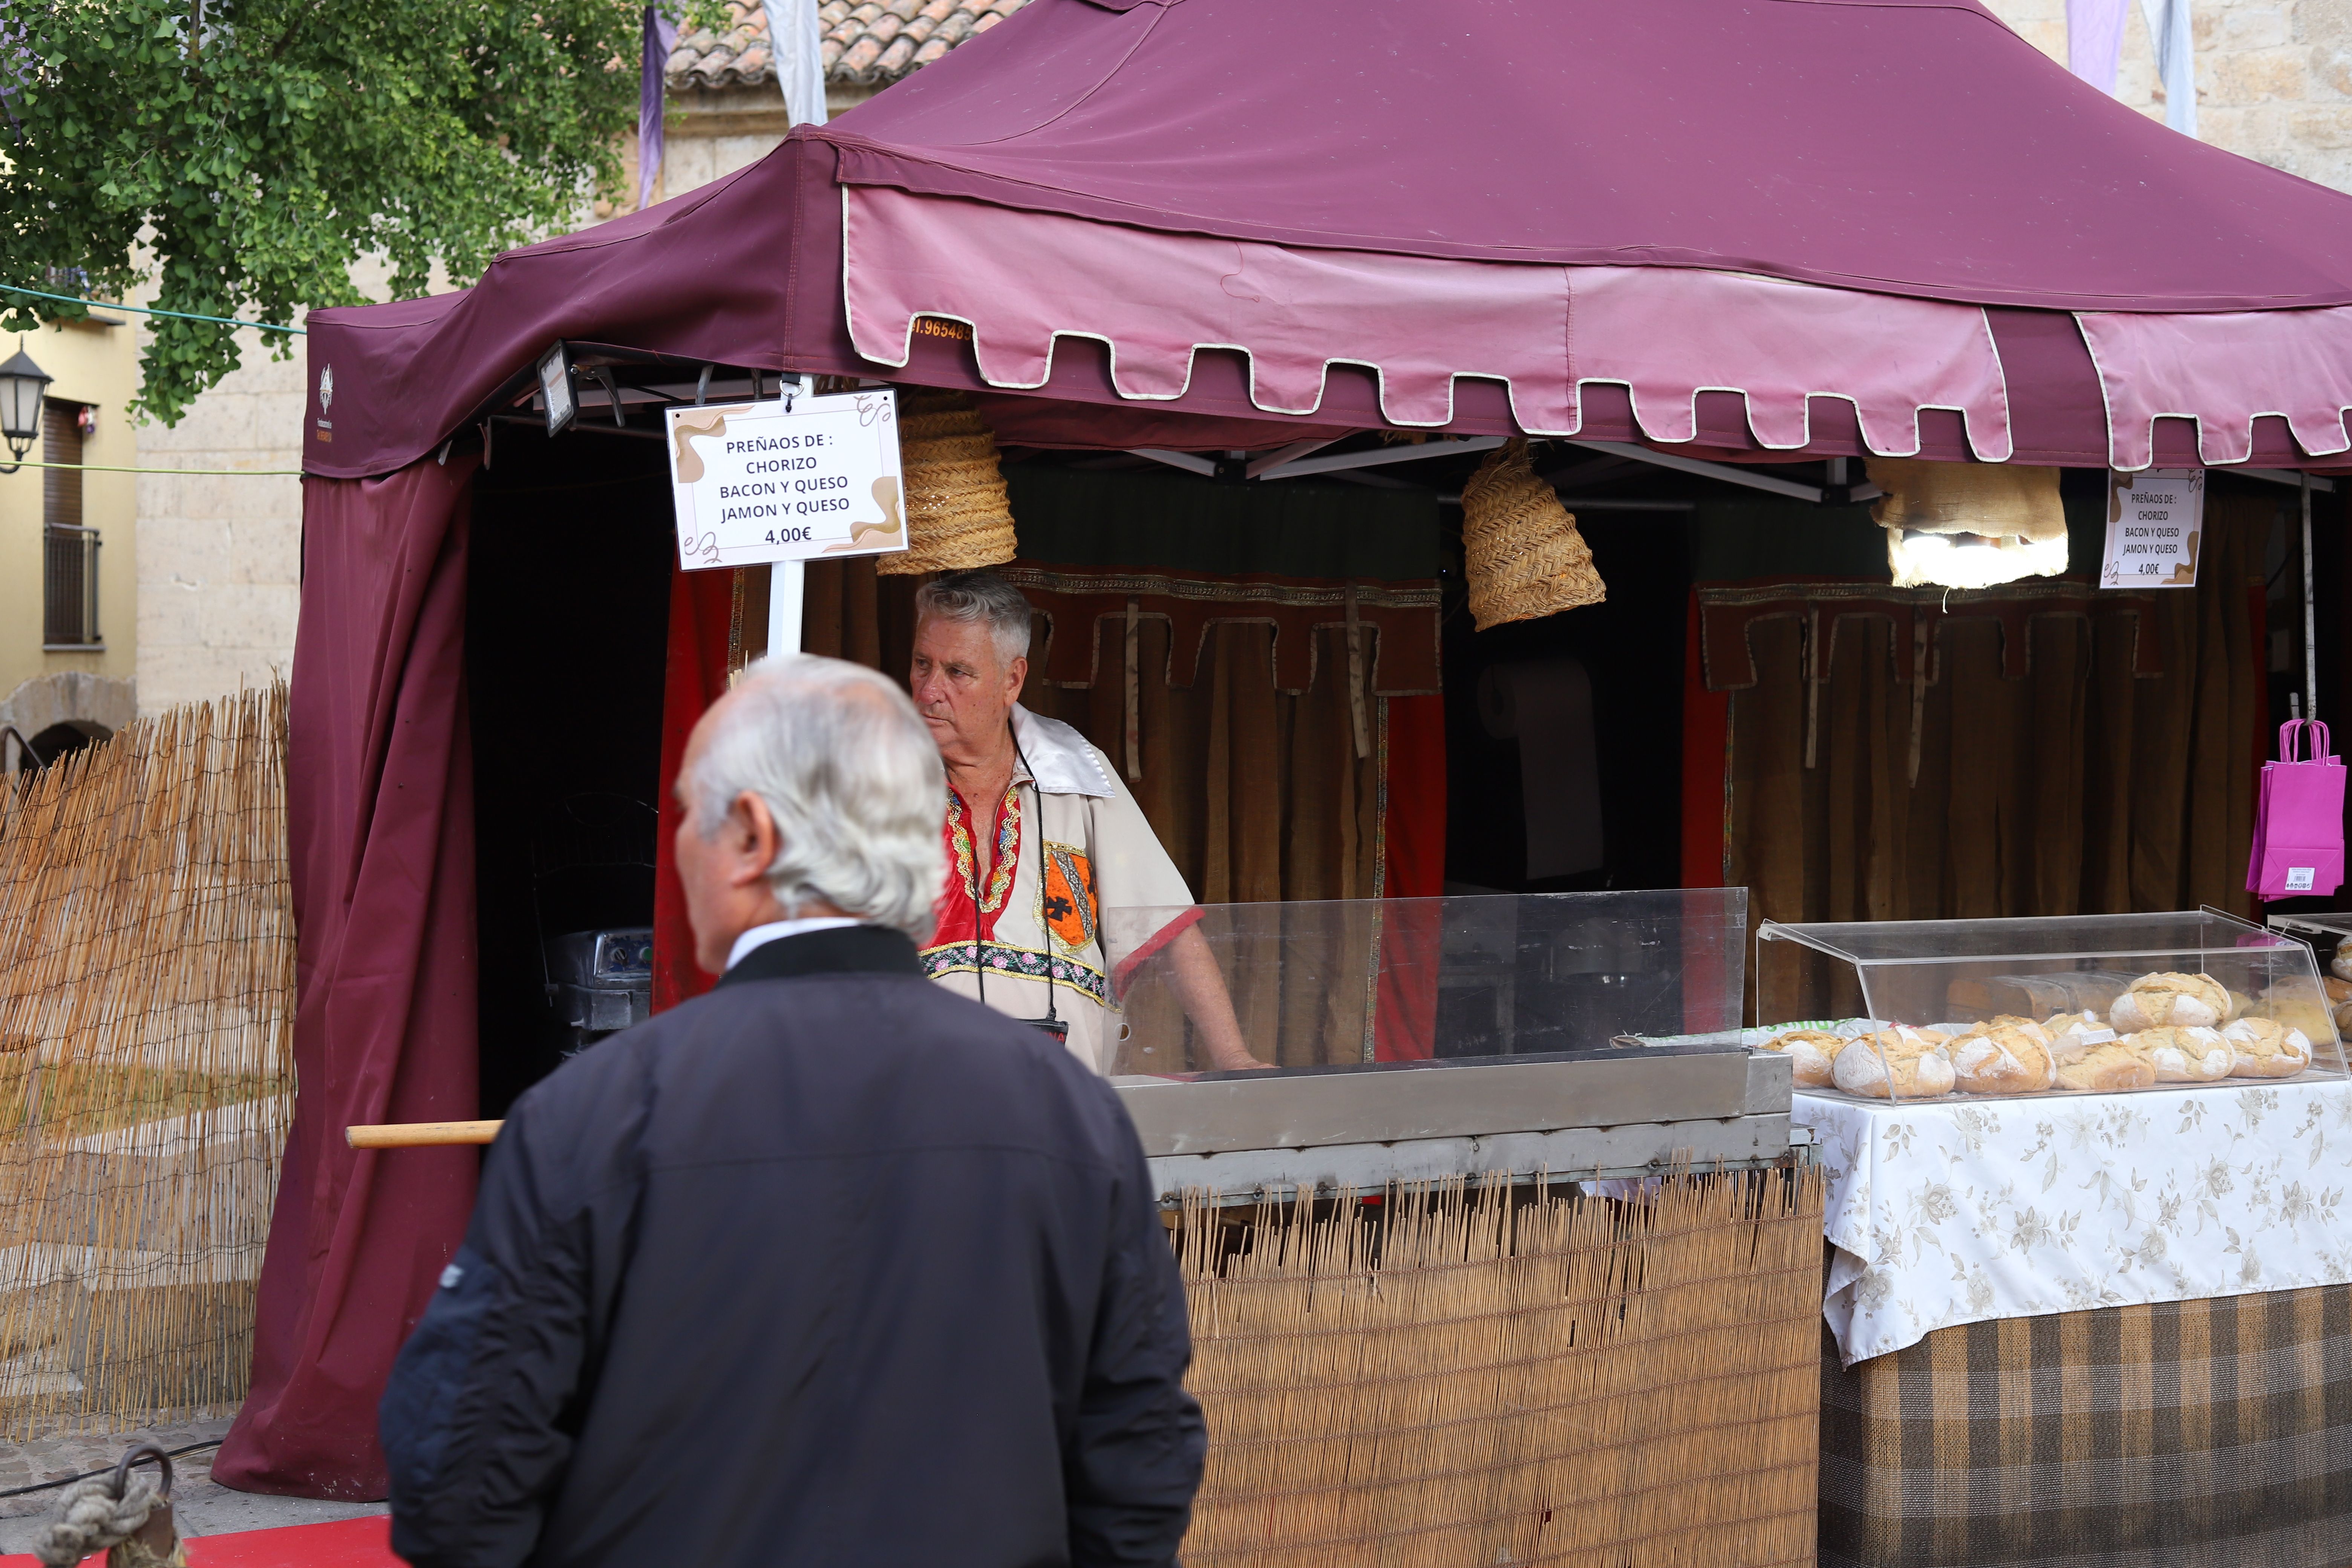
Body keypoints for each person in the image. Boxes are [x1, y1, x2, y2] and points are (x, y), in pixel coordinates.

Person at [379, 655, 1205, 1568]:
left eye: (691, 813)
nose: (678, 844)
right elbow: (1139, 1464)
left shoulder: (592, 1118)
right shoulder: (1073, 1122)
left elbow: (454, 1475)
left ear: (753, 837)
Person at [910, 571, 1262, 1074]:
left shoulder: (1074, 771)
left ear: (1012, 680)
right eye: (923, 664)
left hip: (1059, 1104)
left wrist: (1233, 1057)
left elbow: (1165, 923)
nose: (929, 690)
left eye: (957, 672)